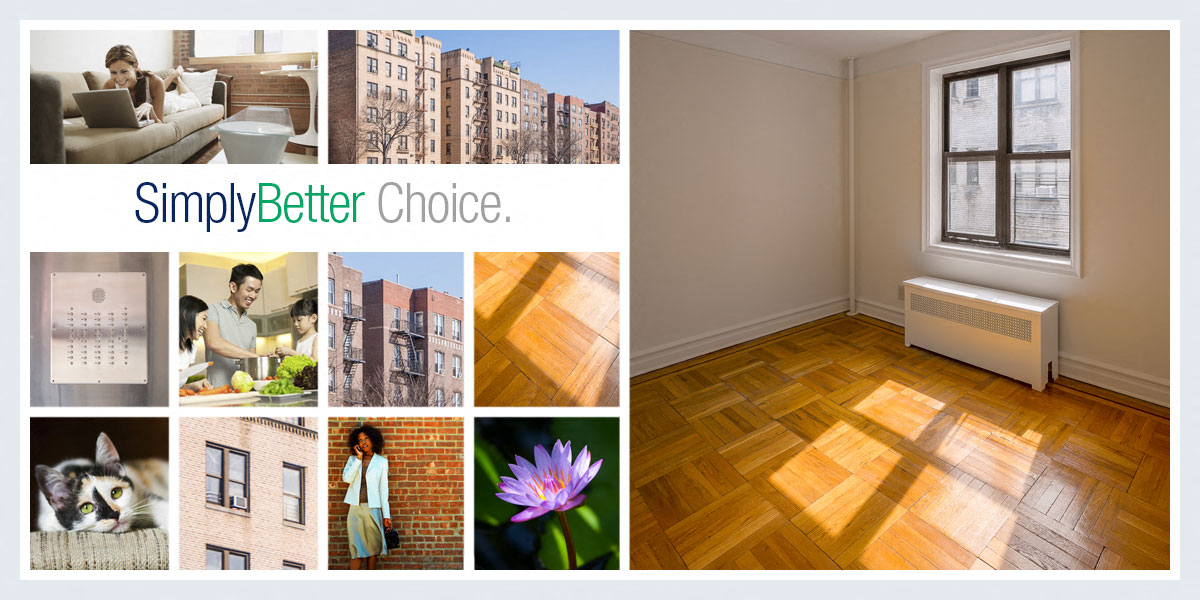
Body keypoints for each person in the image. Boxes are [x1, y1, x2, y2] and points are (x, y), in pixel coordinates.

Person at [203, 264, 268, 388]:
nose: (253, 296)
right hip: (217, 392)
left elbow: (251, 364)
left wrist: (262, 359)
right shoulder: (212, 310)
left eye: (257, 291)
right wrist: (255, 356)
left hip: (243, 393)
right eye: (249, 290)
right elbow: (213, 342)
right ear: (233, 287)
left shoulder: (252, 325)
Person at [102, 45, 200, 124]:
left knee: (193, 101)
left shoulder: (155, 82)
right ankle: (174, 77)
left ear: (136, 66)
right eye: (113, 72)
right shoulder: (109, 86)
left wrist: (150, 107)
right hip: (157, 92)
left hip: (170, 102)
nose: (119, 78)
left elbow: (160, 123)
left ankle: (176, 76)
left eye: (124, 71)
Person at [341, 424, 392, 570]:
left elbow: (383, 491)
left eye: (366, 438)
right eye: (360, 439)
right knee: (356, 550)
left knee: (372, 549)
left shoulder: (382, 462)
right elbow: (347, 479)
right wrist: (358, 459)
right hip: (355, 509)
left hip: (373, 509)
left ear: (373, 439)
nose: (363, 442)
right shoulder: (352, 460)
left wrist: (386, 516)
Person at [178, 295, 211, 392]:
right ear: (186, 314)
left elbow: (177, 387)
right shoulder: (161, 344)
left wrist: (192, 386)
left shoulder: (191, 350)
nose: (205, 326)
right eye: (203, 319)